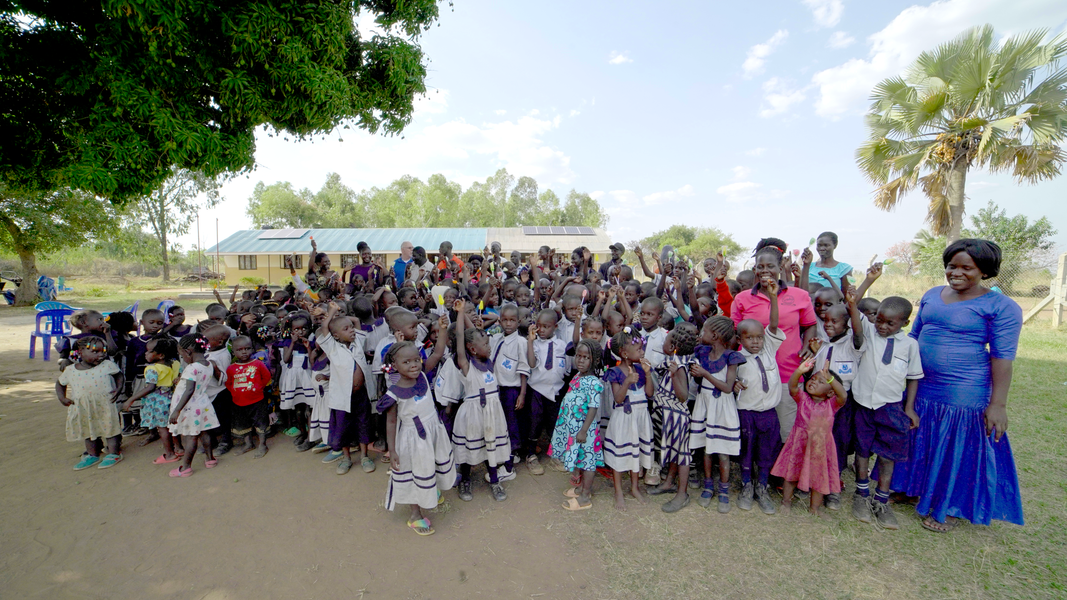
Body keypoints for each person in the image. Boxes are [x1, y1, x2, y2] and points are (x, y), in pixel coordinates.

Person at [893, 239, 1025, 532]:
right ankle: (908, 487)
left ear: (985, 272)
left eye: (968, 267)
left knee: (956, 445)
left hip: (964, 390)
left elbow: (1003, 358)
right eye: (952, 266)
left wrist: (998, 404)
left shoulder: (1001, 307)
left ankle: (950, 505)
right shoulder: (931, 295)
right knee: (917, 434)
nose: (957, 272)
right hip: (922, 385)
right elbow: (913, 337)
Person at [731, 241, 817, 443]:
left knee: (787, 428)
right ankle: (757, 469)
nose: (765, 270)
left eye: (770, 266)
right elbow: (734, 335)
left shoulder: (800, 295)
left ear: (781, 267)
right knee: (756, 428)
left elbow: (810, 324)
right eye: (760, 266)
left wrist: (806, 345)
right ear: (754, 269)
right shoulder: (742, 299)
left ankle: (783, 471)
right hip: (751, 374)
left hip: (789, 371)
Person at [850, 295, 923, 530]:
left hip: (890, 407)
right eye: (878, 320)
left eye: (889, 323)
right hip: (863, 404)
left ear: (905, 323)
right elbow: (854, 312)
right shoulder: (869, 333)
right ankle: (861, 493)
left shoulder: (910, 345)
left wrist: (909, 408)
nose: (882, 326)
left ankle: (881, 499)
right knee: (862, 450)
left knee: (888, 455)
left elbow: (913, 378)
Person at [379, 341, 456, 536]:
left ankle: (430, 490)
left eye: (416, 360)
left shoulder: (422, 375)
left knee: (431, 466)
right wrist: (393, 450)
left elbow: (438, 353)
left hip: (432, 431)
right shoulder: (394, 394)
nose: (414, 365)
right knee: (415, 474)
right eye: (406, 362)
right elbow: (391, 423)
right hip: (413, 440)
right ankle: (415, 514)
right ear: (395, 366)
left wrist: (442, 327)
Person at [451, 299, 512, 502]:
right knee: (470, 449)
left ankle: (494, 480)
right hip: (473, 414)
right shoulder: (466, 365)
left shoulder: (489, 362)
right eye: (485, 344)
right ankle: (465, 480)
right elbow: (462, 338)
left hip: (492, 413)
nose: (489, 346)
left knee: (490, 449)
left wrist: (473, 325)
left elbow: (475, 333)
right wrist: (460, 314)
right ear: (472, 349)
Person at [733, 278, 786, 513]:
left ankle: (762, 487)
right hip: (746, 414)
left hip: (768, 414)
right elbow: (729, 381)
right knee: (747, 451)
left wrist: (774, 298)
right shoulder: (735, 359)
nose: (755, 342)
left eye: (759, 337)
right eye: (749, 338)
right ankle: (746, 485)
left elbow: (773, 325)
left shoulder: (768, 349)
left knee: (766, 452)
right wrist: (733, 384)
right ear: (740, 340)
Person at [772, 357, 847, 515]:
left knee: (819, 477)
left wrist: (831, 379)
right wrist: (799, 371)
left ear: (830, 392)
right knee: (791, 473)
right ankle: (786, 502)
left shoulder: (832, 405)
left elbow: (843, 396)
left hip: (821, 447)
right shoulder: (802, 399)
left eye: (821, 382)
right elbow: (792, 386)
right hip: (799, 443)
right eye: (813, 378)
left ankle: (814, 508)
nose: (814, 382)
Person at [689, 317, 747, 512]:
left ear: (714, 336)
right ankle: (707, 485)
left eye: (703, 331)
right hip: (704, 405)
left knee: (722, 451)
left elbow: (728, 387)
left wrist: (704, 374)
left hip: (722, 407)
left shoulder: (731, 358)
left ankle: (723, 489)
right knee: (706, 448)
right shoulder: (702, 352)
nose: (700, 335)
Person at [316, 302, 377, 475]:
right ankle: (346, 458)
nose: (351, 330)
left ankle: (365, 456)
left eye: (350, 328)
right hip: (342, 398)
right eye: (345, 329)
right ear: (335, 335)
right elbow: (324, 326)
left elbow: (356, 320)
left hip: (361, 394)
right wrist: (331, 312)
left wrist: (339, 318)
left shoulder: (357, 341)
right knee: (343, 427)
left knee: (363, 424)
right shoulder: (332, 347)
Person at [646, 324, 699, 513]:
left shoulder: (680, 367)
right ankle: (669, 482)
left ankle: (682, 494)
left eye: (666, 341)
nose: (663, 343)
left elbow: (683, 396)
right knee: (673, 452)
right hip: (668, 415)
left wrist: (675, 374)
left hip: (677, 417)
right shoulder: (674, 360)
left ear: (673, 346)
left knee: (682, 455)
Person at [550, 340, 606, 511]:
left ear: (595, 361)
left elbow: (593, 408)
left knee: (588, 462)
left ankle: (585, 496)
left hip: (585, 431)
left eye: (585, 357)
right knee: (581, 460)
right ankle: (581, 488)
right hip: (574, 428)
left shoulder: (593, 382)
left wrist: (583, 430)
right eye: (578, 356)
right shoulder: (577, 376)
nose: (580, 360)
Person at [603, 327, 654, 511]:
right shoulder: (615, 373)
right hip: (623, 420)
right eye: (638, 349)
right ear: (624, 353)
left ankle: (634, 487)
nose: (642, 352)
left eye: (642, 348)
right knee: (619, 456)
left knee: (636, 454)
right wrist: (627, 382)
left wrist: (647, 374)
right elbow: (618, 399)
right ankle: (618, 491)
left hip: (640, 420)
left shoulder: (641, 369)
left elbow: (649, 394)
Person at [56, 336, 125, 470]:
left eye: (103, 351)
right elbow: (60, 383)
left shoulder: (107, 365)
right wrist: (62, 398)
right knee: (88, 431)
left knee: (110, 429)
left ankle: (113, 453)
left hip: (105, 404)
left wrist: (118, 389)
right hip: (83, 407)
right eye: (95, 352)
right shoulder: (70, 370)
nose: (101, 355)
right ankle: (93, 454)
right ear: (80, 352)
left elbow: (119, 375)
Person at [121, 337, 182, 464]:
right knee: (171, 426)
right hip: (171, 398)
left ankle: (170, 454)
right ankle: (179, 448)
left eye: (149, 351)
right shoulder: (176, 363)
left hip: (158, 402)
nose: (145, 353)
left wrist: (131, 399)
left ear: (160, 355)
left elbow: (150, 387)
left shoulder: (151, 369)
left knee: (163, 429)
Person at [168, 334, 221, 477]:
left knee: (190, 436)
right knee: (205, 432)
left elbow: (189, 389)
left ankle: (185, 467)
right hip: (202, 403)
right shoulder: (209, 364)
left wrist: (176, 411)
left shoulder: (192, 368)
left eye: (182, 355)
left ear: (188, 351)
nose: (183, 358)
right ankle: (210, 459)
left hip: (190, 407)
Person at [226, 336, 273, 458]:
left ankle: (262, 444)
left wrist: (259, 387)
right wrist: (236, 392)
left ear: (252, 349)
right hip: (238, 402)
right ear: (233, 351)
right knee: (243, 423)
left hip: (257, 400)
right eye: (240, 349)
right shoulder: (231, 368)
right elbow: (229, 383)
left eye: (247, 348)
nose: (244, 352)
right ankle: (248, 444)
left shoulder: (257, 364)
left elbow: (266, 376)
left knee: (260, 422)